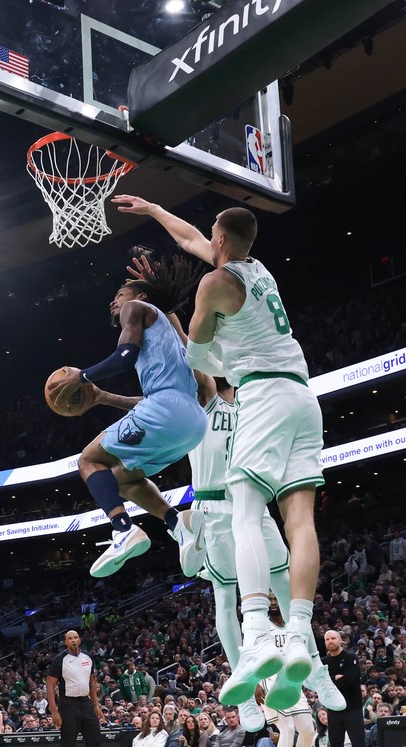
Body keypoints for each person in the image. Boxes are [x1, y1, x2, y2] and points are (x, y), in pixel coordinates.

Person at [116, 196, 322, 699]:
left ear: (222, 238)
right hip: (303, 394)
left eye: (212, 232)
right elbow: (189, 238)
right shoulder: (260, 272)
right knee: (300, 522)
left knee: (247, 510)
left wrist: (184, 334)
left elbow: (197, 353)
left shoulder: (215, 283)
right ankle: (297, 632)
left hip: (265, 394)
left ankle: (256, 632)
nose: (205, 237)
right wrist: (151, 209)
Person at [48, 259, 208, 578]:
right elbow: (160, 402)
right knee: (122, 479)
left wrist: (82, 377)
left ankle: (123, 530)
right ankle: (180, 525)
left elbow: (125, 357)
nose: (115, 300)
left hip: (167, 411)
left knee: (89, 461)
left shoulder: (134, 308)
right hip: (192, 422)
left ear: (140, 297)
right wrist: (104, 397)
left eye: (120, 293)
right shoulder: (171, 333)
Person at [46, 629, 104, 747]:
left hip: (85, 703)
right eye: (69, 638)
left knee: (95, 741)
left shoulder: (87, 658)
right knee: (68, 746)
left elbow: (91, 683)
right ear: (65, 642)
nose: (73, 640)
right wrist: (54, 710)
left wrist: (96, 705)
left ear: (79, 640)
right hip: (68, 704)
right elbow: (50, 685)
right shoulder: (59, 660)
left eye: (75, 638)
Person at [321, 629, 376, 747]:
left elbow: (349, 681)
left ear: (340, 640)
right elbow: (321, 683)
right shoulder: (323, 662)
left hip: (352, 709)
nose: (330, 641)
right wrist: (335, 678)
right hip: (333, 711)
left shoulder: (350, 657)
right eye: (327, 639)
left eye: (333, 638)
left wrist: (335, 680)